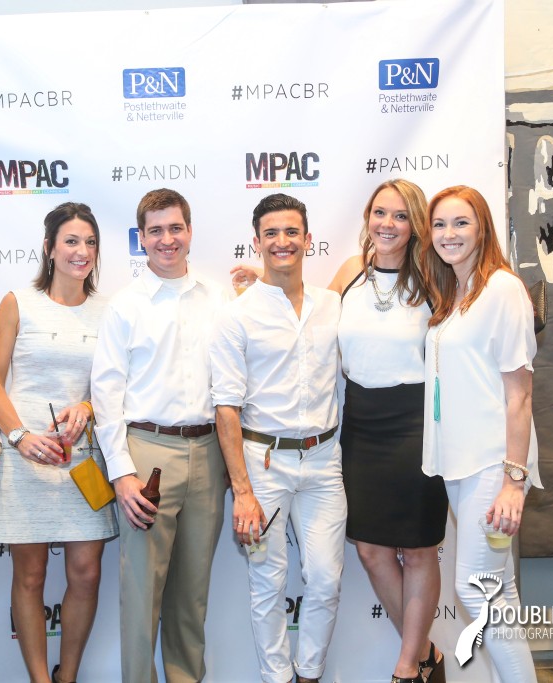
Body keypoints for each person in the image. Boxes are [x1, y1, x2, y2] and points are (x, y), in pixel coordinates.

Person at [90, 188, 228, 683]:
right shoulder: (125, 305)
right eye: (155, 231)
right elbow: (106, 394)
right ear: (141, 238)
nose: (167, 239)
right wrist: (121, 474)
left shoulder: (219, 297)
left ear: (189, 231)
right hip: (146, 455)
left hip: (209, 453)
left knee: (192, 595)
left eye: (175, 228)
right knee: (141, 593)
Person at [210, 193, 345, 683]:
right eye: (271, 233)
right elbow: (226, 409)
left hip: (324, 462)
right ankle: (276, 677)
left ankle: (309, 674)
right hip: (262, 465)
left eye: (291, 232)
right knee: (267, 582)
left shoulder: (333, 305)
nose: (282, 241)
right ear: (257, 241)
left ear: (308, 239)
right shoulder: (237, 315)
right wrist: (242, 492)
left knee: (326, 578)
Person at [0, 202, 118, 683]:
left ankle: (68, 675)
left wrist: (89, 407)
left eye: (90, 242)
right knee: (31, 575)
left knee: (87, 573)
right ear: (49, 248)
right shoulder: (18, 302)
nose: (82, 251)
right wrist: (19, 437)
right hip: (26, 460)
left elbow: (118, 385)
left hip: (85, 463)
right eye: (71, 241)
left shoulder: (110, 310)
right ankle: (40, 679)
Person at [420, 185, 542, 682]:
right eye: (440, 224)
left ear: (482, 228)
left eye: (461, 222)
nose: (449, 234)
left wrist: (513, 481)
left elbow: (520, 394)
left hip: (494, 462)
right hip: (460, 462)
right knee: (497, 591)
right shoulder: (456, 293)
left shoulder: (502, 289)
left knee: (476, 589)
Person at [327, 180, 447, 683]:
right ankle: (427, 655)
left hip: (417, 423)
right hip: (361, 421)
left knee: (418, 548)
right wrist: (260, 292)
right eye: (380, 212)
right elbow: (309, 328)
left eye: (400, 216)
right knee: (371, 549)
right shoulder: (350, 272)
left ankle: (405, 667)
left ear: (416, 225)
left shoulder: (435, 278)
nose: (387, 224)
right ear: (367, 216)